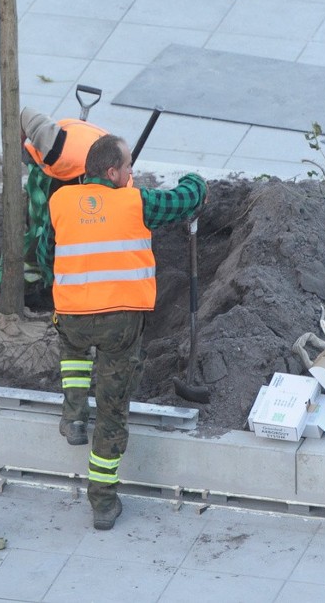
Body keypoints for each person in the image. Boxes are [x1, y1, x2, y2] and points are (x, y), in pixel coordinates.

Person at [45, 133, 206, 531]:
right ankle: (102, 503)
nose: (133, 171)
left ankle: (74, 415)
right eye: (129, 166)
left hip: (72, 316)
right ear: (113, 171)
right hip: (119, 323)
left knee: (75, 353)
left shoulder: (60, 200)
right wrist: (194, 180)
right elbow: (185, 200)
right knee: (113, 413)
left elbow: (75, 231)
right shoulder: (138, 202)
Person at [21, 108, 108, 286]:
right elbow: (24, 115)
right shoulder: (52, 143)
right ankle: (32, 265)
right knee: (44, 216)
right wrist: (13, 151)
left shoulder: (122, 178)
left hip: (77, 163)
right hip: (47, 165)